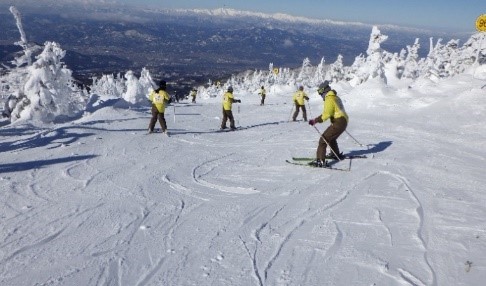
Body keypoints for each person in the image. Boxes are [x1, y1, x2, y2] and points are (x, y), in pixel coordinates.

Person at [308, 80, 348, 167]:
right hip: (343, 121)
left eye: (320, 93)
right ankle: (335, 154)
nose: (320, 95)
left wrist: (315, 120)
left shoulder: (329, 98)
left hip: (338, 122)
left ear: (324, 91)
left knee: (323, 140)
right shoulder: (335, 97)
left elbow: (327, 114)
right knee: (331, 138)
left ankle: (320, 161)